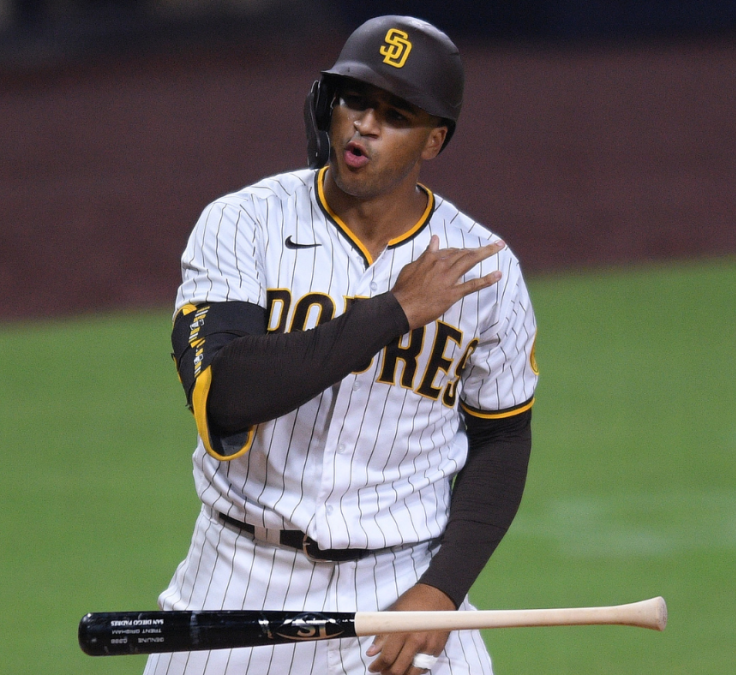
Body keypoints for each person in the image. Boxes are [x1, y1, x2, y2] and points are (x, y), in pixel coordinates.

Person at [155, 15, 538, 675]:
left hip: (402, 588)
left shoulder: (484, 269)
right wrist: (394, 311)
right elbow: (228, 394)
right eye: (355, 100)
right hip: (241, 577)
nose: (364, 123)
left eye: (395, 114)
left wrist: (442, 588)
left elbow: (502, 438)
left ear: (433, 140)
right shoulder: (243, 224)